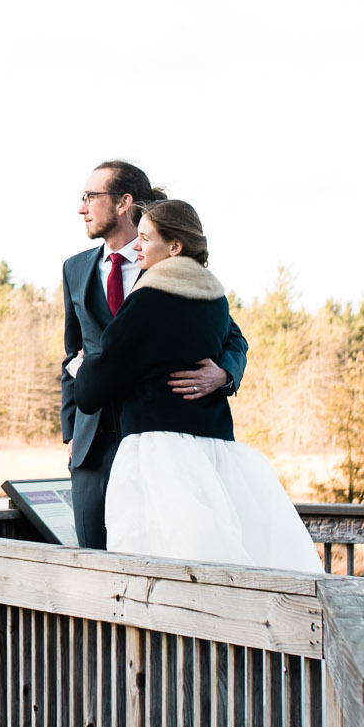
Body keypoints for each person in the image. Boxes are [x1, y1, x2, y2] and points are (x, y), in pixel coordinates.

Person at [68, 200, 319, 571]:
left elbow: (91, 392)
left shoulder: (147, 300)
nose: (137, 246)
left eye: (145, 238)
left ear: (175, 246)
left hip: (156, 452)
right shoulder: (215, 300)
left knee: (157, 561)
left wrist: (82, 367)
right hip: (214, 451)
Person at [62, 161, 246, 549]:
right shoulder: (74, 269)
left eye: (90, 197)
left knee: (161, 552)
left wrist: (224, 375)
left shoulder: (174, 267)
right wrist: (71, 435)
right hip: (92, 443)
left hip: (159, 438)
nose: (82, 208)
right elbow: (71, 353)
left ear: (123, 202)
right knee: (95, 560)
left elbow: (232, 337)